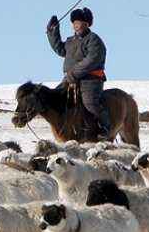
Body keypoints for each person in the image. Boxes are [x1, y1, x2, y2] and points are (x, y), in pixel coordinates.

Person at [46, 7, 111, 140]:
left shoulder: (94, 40)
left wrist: (74, 73)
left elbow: (91, 60)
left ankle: (105, 126)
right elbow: (60, 49)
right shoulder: (71, 41)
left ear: (87, 24)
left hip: (90, 79)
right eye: (74, 23)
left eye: (79, 23)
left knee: (90, 103)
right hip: (71, 78)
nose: (76, 25)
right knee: (54, 97)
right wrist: (52, 32)